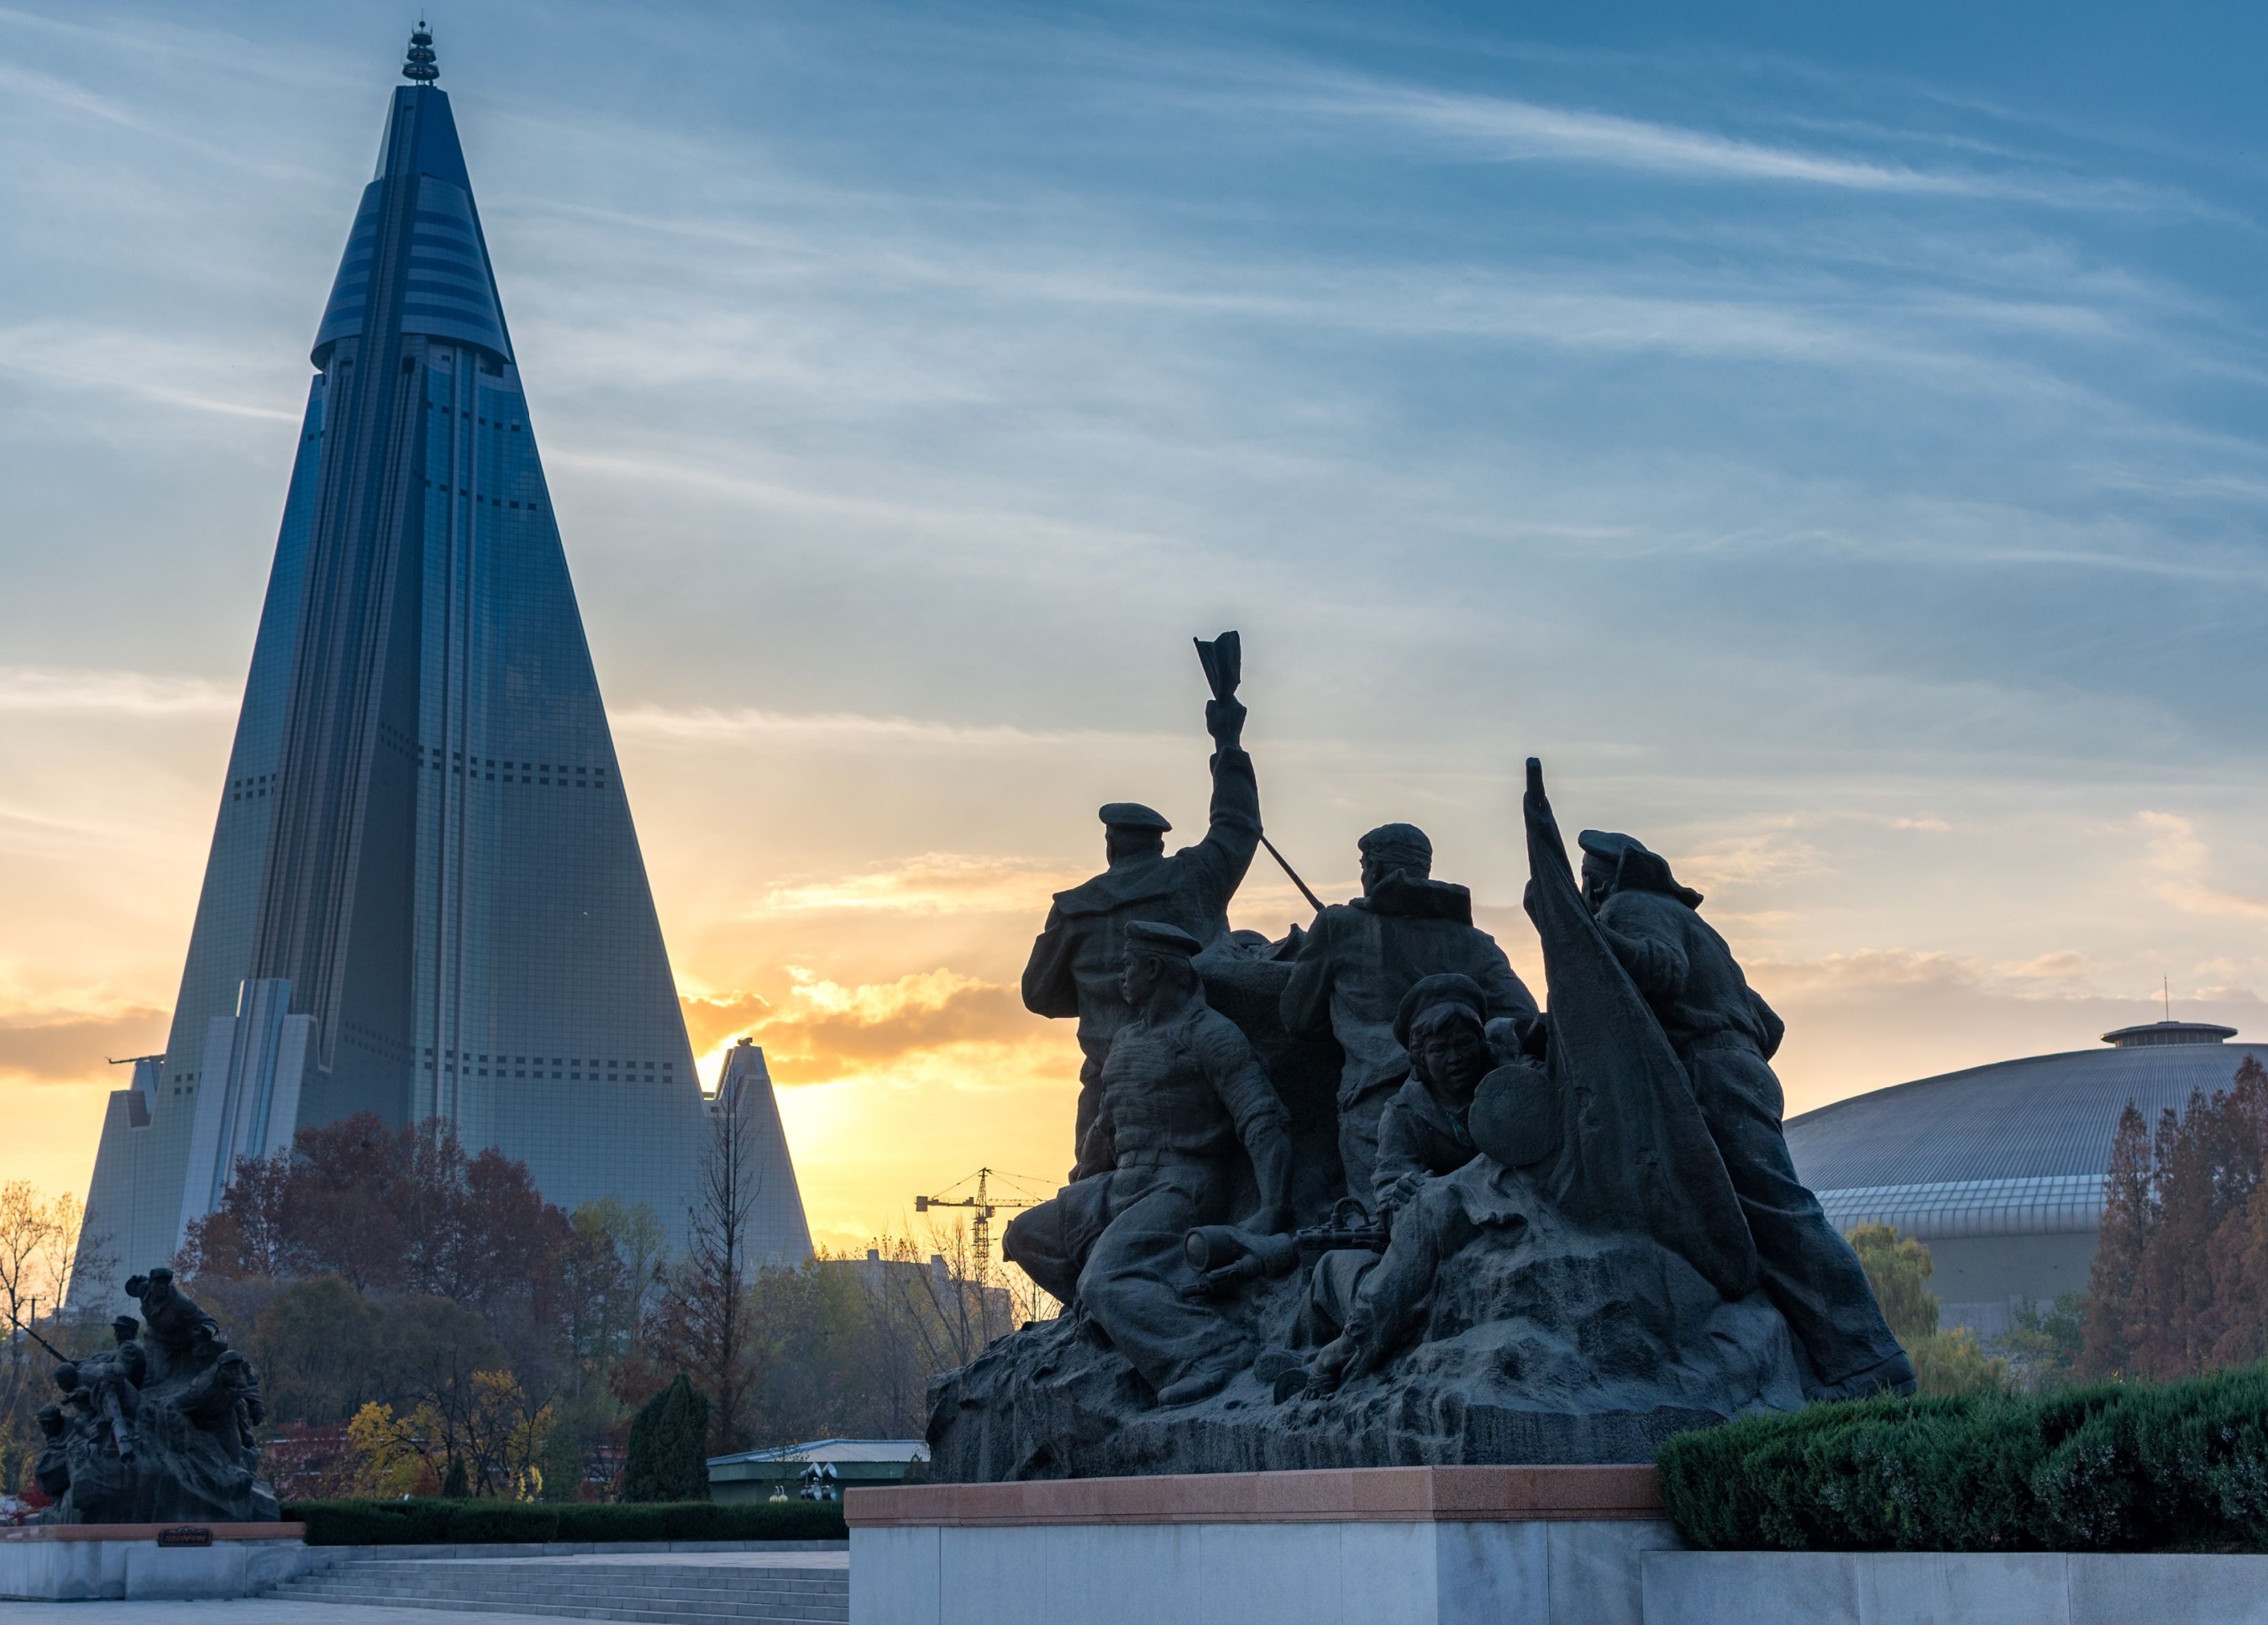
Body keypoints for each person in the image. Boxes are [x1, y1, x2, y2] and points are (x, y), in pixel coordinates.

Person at [1578, 828, 1915, 1399]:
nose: (1587, 892)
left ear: (1606, 880)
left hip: (1714, 1074)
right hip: (1741, 1069)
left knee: (1781, 1215)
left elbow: (1660, 971)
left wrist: (1591, 935)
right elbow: (1770, 1023)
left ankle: (1870, 1362)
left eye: (1589, 880)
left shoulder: (1630, 907)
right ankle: (1821, 1362)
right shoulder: (1699, 927)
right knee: (1749, 1217)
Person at [1004, 921, 1294, 1404]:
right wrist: (1081, 1191)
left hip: (1182, 1186)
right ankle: (1118, 1325)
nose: (1121, 977)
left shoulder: (1210, 1034)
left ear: (1155, 969)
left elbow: (1263, 1120)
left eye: (1128, 966)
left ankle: (1210, 1350)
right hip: (1123, 1183)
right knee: (1026, 1235)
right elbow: (1106, 1128)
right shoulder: (1125, 1041)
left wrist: (1273, 1210)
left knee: (1104, 1279)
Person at [1022, 688, 1262, 1160]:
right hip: (1194, 1074)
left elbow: (1039, 995)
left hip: (1107, 1080)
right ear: (1159, 844)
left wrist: (1096, 997)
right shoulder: (1195, 877)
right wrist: (1228, 743)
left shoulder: (1074, 908)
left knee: (1096, 1189)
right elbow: (1237, 825)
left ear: (1111, 845)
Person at [1280, 823, 1536, 1202]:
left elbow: (1298, 1018)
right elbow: (1523, 1016)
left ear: (1376, 870)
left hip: (1375, 1108)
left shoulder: (1337, 926)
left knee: (1381, 1222)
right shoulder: (1475, 941)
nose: (1364, 875)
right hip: (1467, 1107)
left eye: (1364, 866)